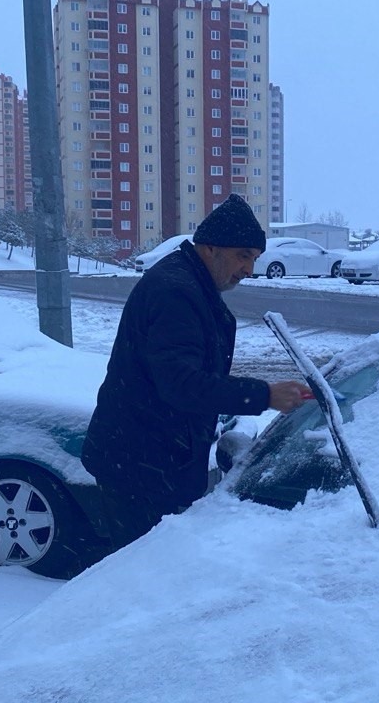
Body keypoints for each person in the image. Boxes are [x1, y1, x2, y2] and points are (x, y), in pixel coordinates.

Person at [81, 194, 309, 551]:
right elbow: (181, 385)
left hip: (147, 460)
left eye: (255, 258)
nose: (249, 269)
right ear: (210, 249)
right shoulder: (176, 293)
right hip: (140, 468)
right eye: (243, 255)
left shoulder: (189, 282)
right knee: (144, 575)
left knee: (148, 571)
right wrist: (265, 395)